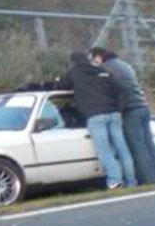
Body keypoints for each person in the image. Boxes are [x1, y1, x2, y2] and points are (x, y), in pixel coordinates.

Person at [56, 51, 134, 188]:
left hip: (95, 115)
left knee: (105, 150)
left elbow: (61, 86)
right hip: (114, 114)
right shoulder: (102, 71)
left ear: (73, 62)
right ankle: (132, 181)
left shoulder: (74, 72)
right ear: (87, 59)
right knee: (122, 149)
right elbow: (123, 91)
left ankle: (115, 180)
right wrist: (120, 109)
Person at [90, 47, 155, 184]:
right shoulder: (124, 65)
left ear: (98, 57)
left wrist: (119, 109)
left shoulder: (106, 69)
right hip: (142, 106)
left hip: (130, 110)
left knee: (138, 146)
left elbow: (118, 91)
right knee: (149, 145)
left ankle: (148, 180)